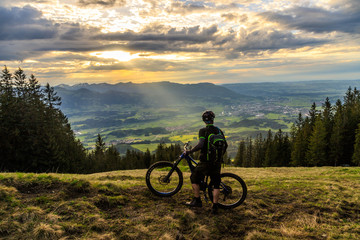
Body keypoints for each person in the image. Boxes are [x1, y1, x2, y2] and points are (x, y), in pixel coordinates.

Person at [184, 110, 228, 214]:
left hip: (206, 161)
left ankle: (197, 200)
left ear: (204, 120)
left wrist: (190, 151)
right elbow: (225, 145)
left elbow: (200, 145)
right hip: (217, 162)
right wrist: (219, 156)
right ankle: (215, 206)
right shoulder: (219, 130)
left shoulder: (203, 131)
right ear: (213, 119)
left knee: (194, 177)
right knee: (216, 183)